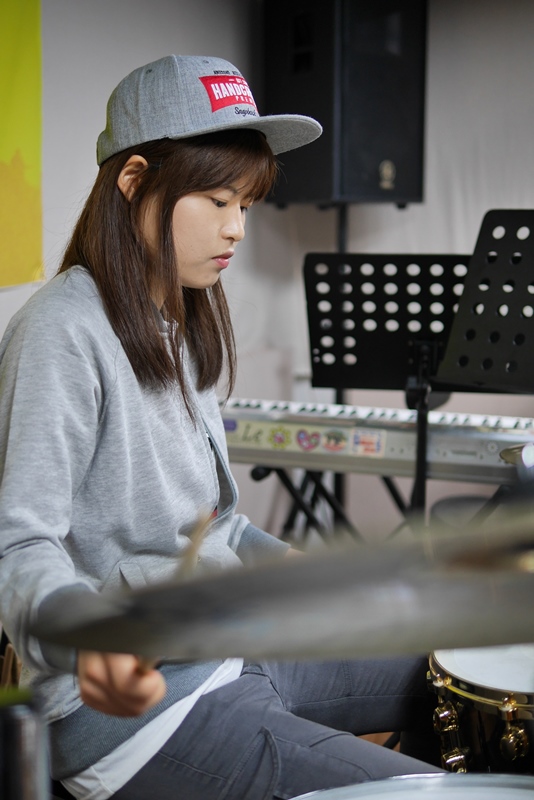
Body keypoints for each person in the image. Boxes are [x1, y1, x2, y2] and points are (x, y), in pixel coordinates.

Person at [0, 54, 442, 800]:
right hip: (138, 716)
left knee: (443, 669)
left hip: (231, 645)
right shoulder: (60, 332)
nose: (236, 228)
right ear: (133, 180)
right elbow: (18, 543)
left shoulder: (181, 317)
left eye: (246, 203)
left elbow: (219, 524)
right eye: (215, 199)